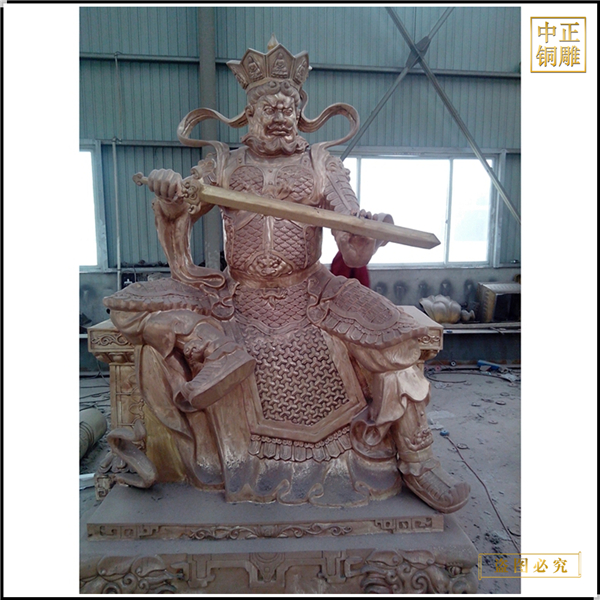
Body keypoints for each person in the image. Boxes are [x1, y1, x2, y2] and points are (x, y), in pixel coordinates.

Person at [104, 37, 469, 512]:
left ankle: (418, 461)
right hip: (239, 295)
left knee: (397, 337)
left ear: (300, 112)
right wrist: (170, 194)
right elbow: (181, 211)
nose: (279, 116)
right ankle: (215, 355)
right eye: (268, 107)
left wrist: (369, 234)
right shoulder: (223, 164)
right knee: (138, 310)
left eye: (288, 107)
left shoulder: (323, 165)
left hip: (312, 291)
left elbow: (351, 242)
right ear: (249, 113)